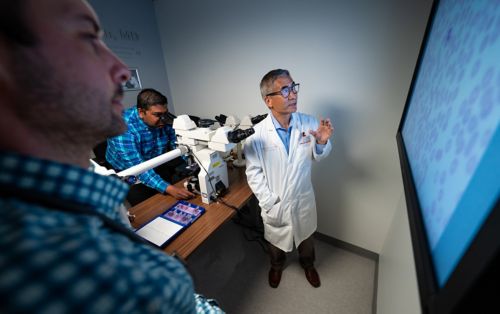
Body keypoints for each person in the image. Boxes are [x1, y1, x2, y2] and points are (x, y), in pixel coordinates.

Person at [0, 0, 222, 312]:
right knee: (156, 218)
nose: (121, 71)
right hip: (135, 174)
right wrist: (170, 188)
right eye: (87, 39)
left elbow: (174, 142)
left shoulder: (85, 194)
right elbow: (139, 170)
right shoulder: (34, 248)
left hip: (158, 165)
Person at [244, 69, 333, 288]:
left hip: (303, 199)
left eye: (294, 88)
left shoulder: (309, 124)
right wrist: (269, 202)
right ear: (269, 101)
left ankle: (309, 265)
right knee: (275, 243)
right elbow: (253, 175)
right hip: (276, 202)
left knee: (306, 239)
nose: (293, 94)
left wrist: (321, 142)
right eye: (285, 90)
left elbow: (318, 156)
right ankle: (276, 267)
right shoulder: (255, 135)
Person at [106, 88, 195, 205]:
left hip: (155, 161)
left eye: (165, 113)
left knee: (170, 200)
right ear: (141, 112)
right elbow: (138, 167)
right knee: (148, 207)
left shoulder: (163, 117)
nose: (163, 119)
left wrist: (193, 164)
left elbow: (178, 144)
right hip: (128, 171)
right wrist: (169, 189)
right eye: (158, 115)